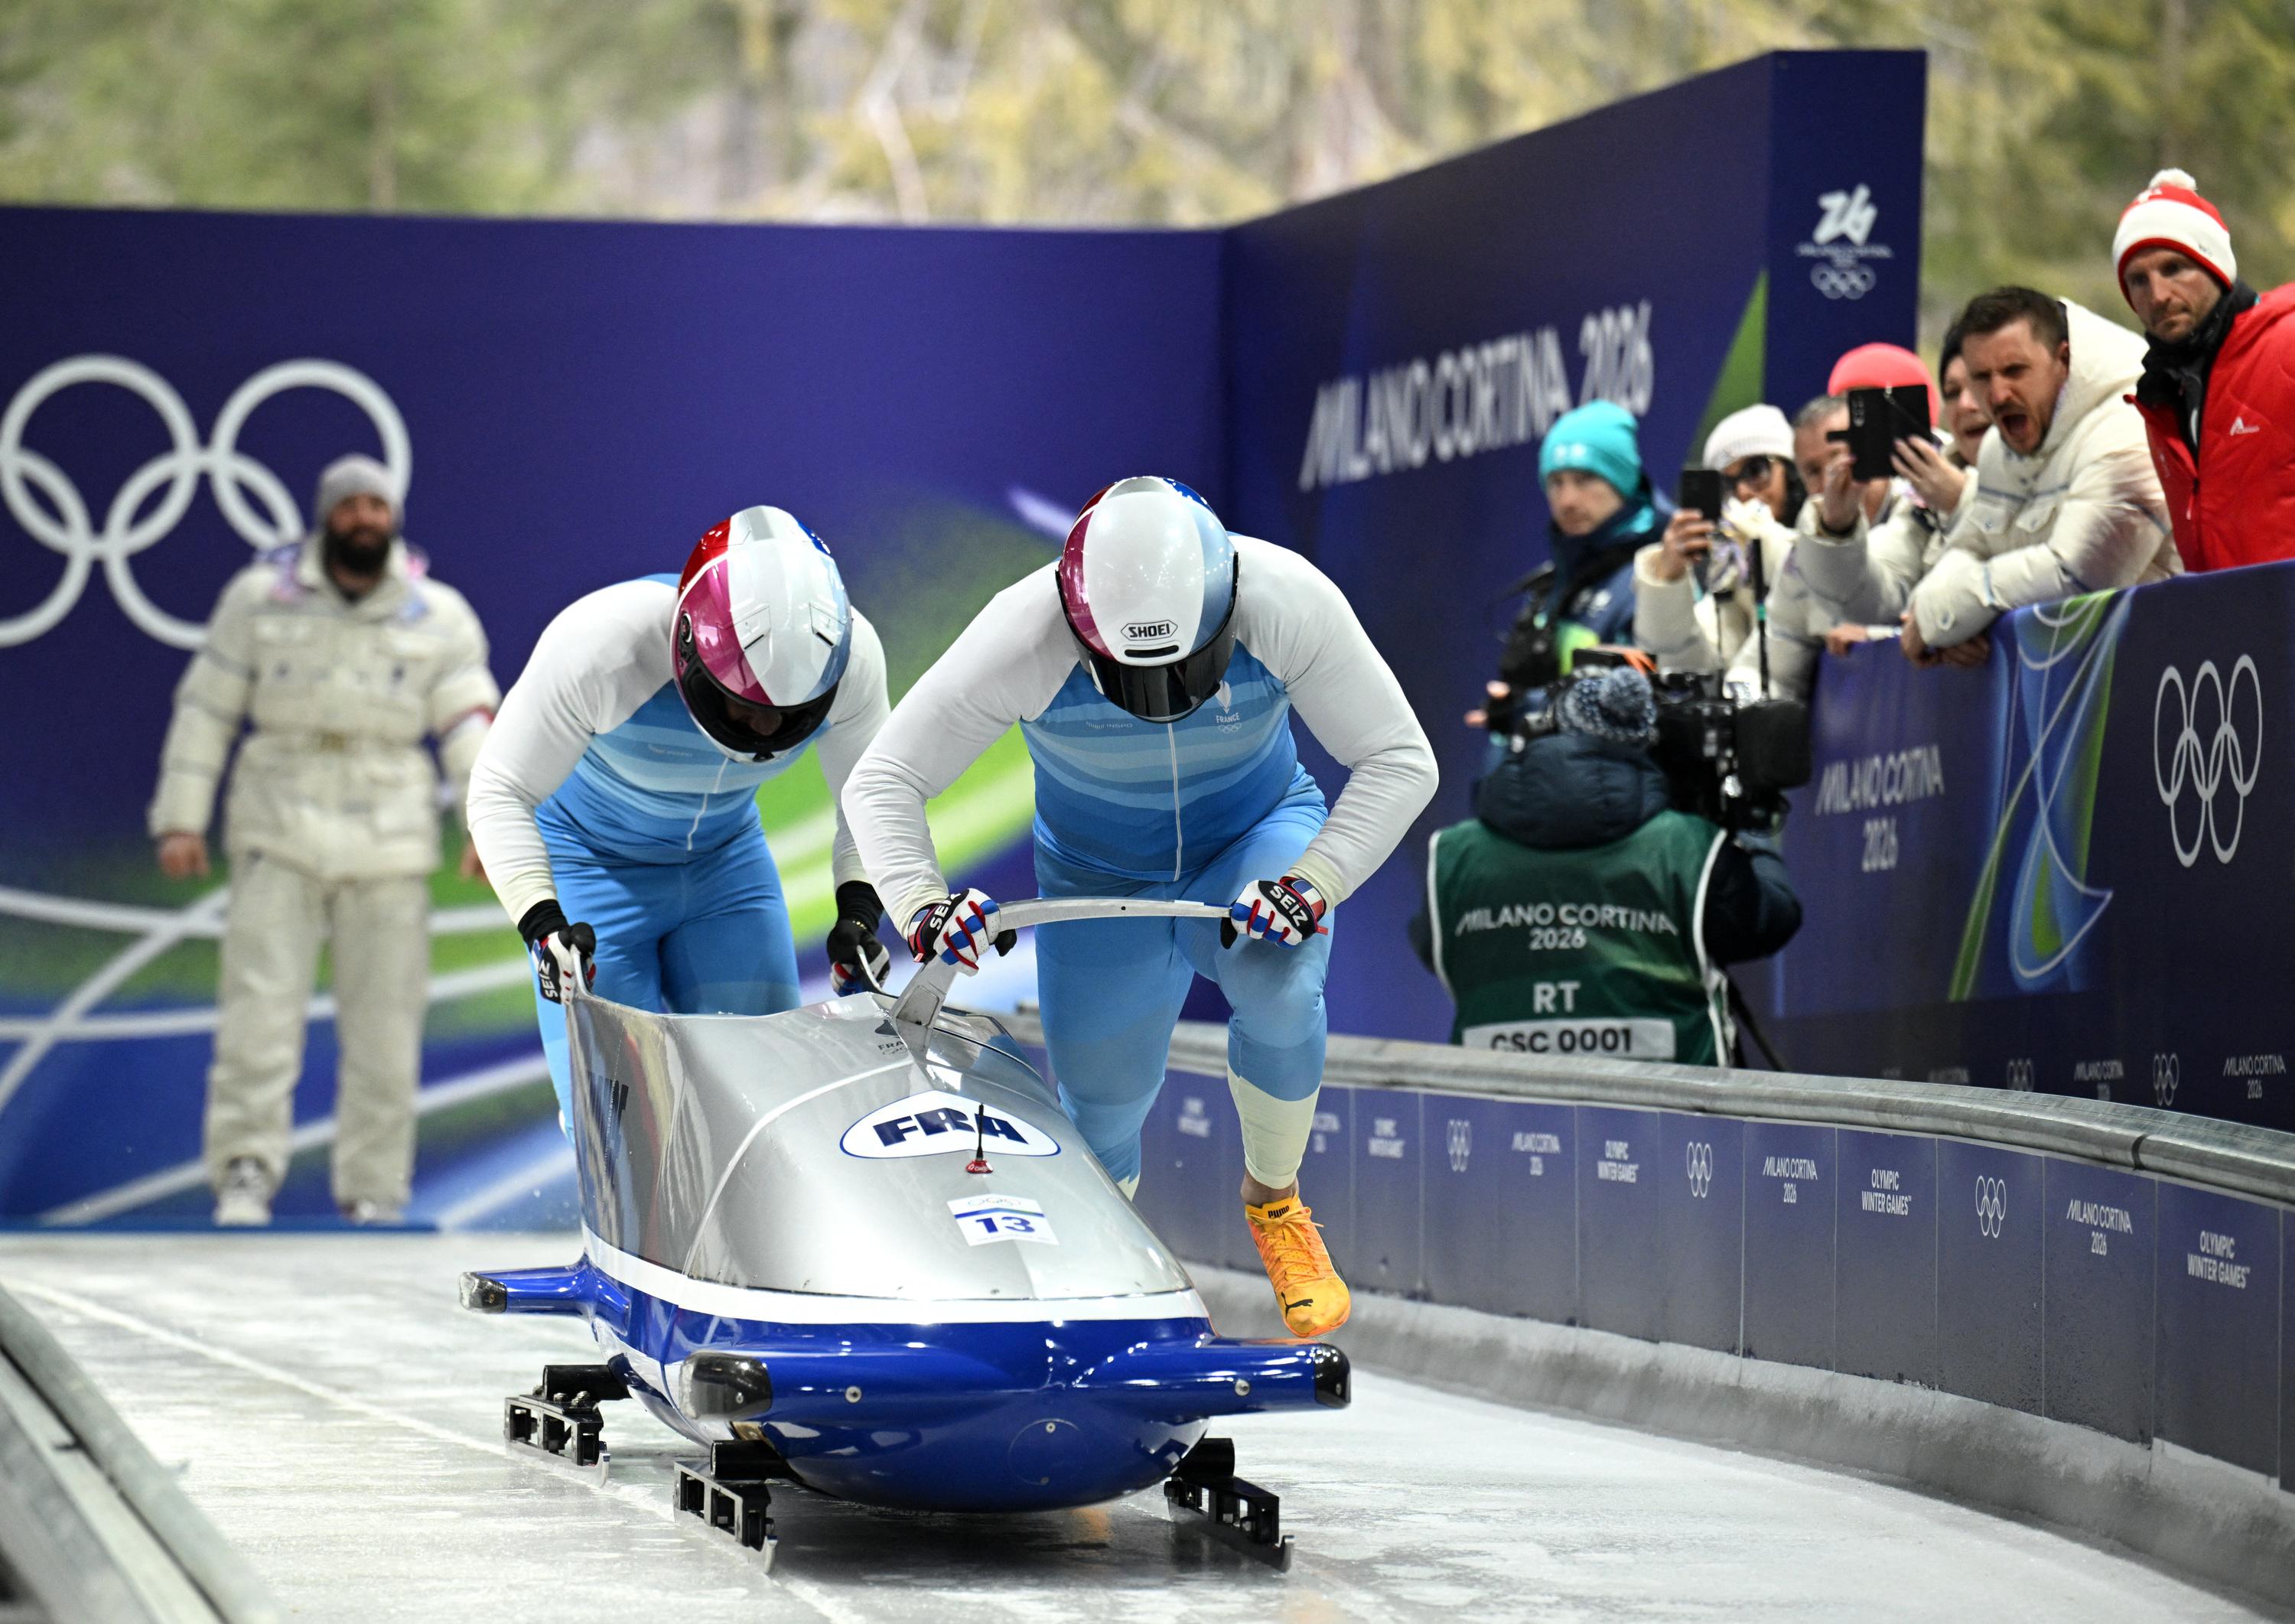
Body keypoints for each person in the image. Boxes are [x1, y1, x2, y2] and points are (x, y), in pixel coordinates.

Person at [842, 476, 1437, 1339]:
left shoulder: (1286, 598)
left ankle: (1275, 1201)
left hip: (1252, 841)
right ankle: (1100, 1290)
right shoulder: (1022, 631)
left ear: (1224, 608)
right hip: (1096, 877)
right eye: (1130, 677)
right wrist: (922, 907)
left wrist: (1312, 882)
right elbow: (884, 780)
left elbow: (1400, 758)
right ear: (1082, 628)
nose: (1161, 694)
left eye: (1184, 669)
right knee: (1101, 1109)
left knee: (1281, 988)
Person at [149, 455, 500, 1227]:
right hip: (280, 823)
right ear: (326, 515)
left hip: (389, 837)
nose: (364, 517)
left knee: (386, 1027)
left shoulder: (438, 613)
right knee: (258, 1012)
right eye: (350, 506)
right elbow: (206, 708)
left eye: (377, 505)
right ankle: (244, 1170)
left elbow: (471, 726)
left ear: (394, 516)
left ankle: (374, 1188)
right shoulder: (259, 599)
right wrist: (180, 817)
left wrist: (487, 828)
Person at [465, 506, 892, 1124]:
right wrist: (542, 922)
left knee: (772, 1105)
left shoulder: (854, 660)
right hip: (590, 867)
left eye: (789, 714)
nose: (765, 730)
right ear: (689, 649)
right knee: (616, 1129)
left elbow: (874, 800)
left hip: (726, 867)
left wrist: (860, 911)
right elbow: (498, 789)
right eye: (744, 707)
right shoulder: (600, 645)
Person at [1410, 666, 1800, 1063]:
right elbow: (1771, 920)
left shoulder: (1455, 853)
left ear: (1546, 731)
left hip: (1498, 1096)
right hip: (1669, 1099)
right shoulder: (1688, 846)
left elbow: (1434, 947)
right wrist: (1753, 827)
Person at [1906, 288, 2176, 660]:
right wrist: (1947, 620)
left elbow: (2077, 577)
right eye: (1981, 377)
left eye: (2014, 371)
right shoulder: (1997, 447)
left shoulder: (2130, 428)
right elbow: (1970, 546)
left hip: (2154, 670)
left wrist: (1940, 614)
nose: (1998, 395)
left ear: (2062, 360)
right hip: (2066, 674)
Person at [2113, 169, 2295, 572]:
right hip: (2230, 610)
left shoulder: (2288, 342)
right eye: (2138, 280)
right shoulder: (2160, 394)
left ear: (2215, 267)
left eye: (2174, 268)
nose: (2158, 295)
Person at [1496, 402, 1662, 690]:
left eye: (1584, 480)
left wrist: (1532, 709)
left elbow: (1645, 701)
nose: (1567, 500)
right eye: (1556, 483)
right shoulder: (1555, 583)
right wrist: (1508, 707)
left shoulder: (1659, 577)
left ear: (1623, 481)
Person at [1632, 404, 1801, 680]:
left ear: (1793, 477)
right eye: (1726, 484)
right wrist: (1667, 580)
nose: (1743, 492)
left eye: (1756, 470)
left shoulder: (1825, 546)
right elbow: (1687, 668)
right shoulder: (1727, 576)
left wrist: (1767, 546)